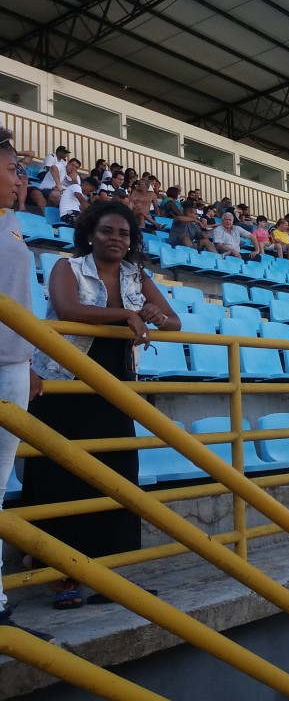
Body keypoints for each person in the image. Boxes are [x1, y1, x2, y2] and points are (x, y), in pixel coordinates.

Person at [23, 202, 181, 609]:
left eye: (124, 234)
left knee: (115, 474)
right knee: (62, 478)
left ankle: (106, 572)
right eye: (108, 231)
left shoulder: (136, 274)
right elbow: (69, 309)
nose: (116, 239)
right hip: (64, 382)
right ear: (91, 233)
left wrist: (151, 314)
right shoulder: (67, 267)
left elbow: (173, 321)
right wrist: (126, 314)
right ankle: (59, 577)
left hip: (115, 384)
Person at [0, 129, 53, 640]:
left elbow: (23, 300)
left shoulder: (12, 222)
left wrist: (33, 358)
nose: (21, 180)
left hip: (13, 363)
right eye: (13, 170)